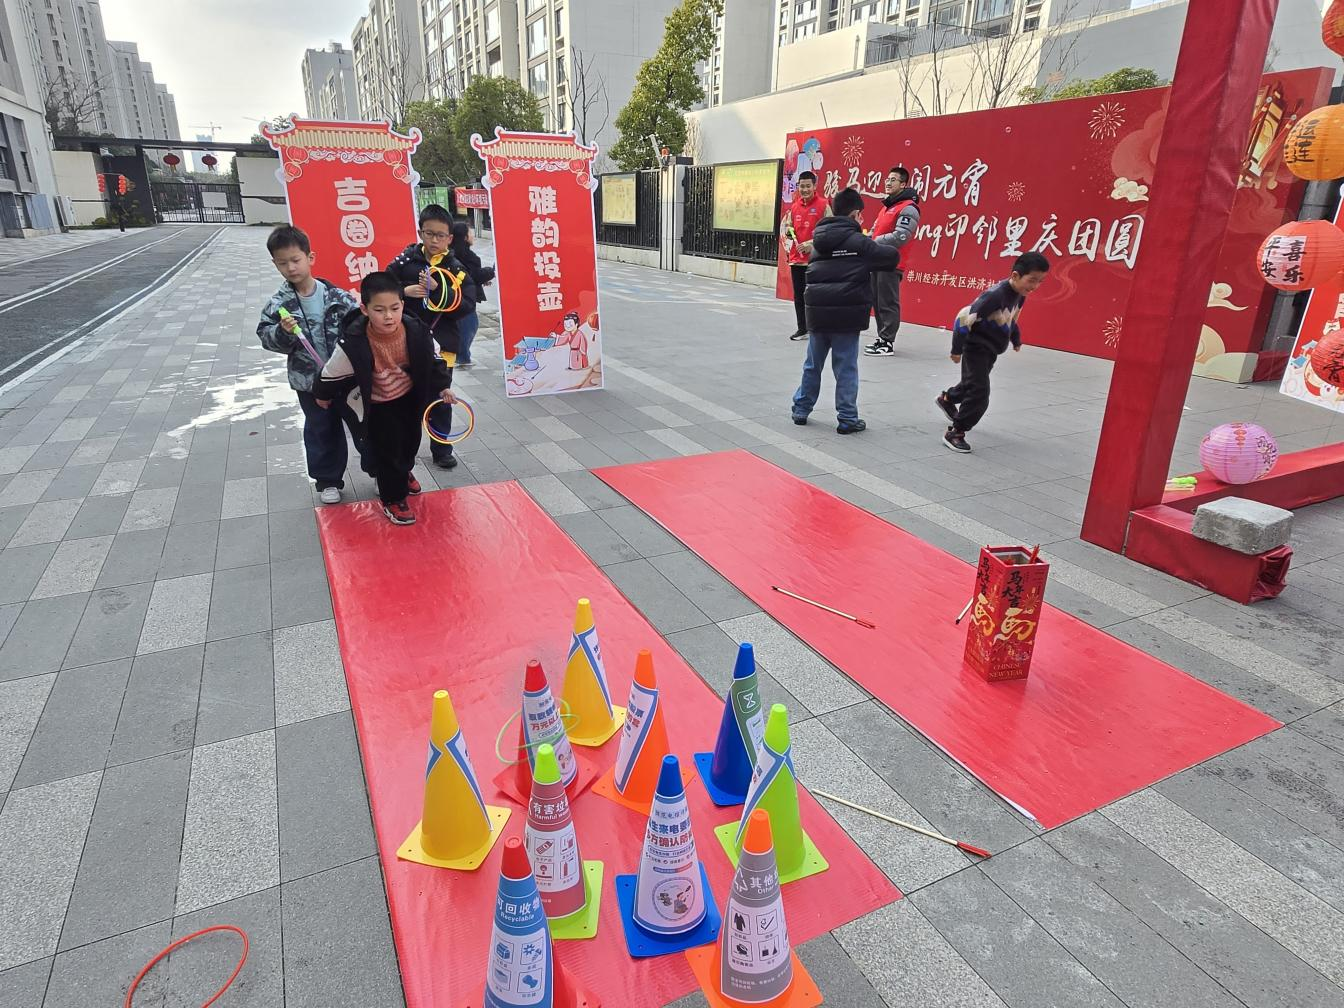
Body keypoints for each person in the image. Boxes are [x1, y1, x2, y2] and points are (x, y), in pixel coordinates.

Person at [313, 272, 457, 526]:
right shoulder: (354, 341)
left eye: (394, 308)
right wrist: (322, 395)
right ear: (365, 309)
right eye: (379, 310)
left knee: (410, 442)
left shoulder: (416, 330)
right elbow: (331, 373)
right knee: (388, 453)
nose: (388, 316)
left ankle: (404, 470)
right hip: (378, 405)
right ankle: (393, 499)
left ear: (402, 304)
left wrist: (443, 387)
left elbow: (433, 359)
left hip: (409, 398)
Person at [257, 225, 369, 505]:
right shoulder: (279, 304)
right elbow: (266, 338)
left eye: (296, 260)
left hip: (346, 379)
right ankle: (328, 480)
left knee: (365, 425)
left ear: (310, 257)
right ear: (275, 264)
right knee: (321, 429)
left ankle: (380, 470)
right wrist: (282, 332)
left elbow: (361, 329)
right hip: (309, 383)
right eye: (283, 263)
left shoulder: (337, 296)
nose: (291, 268)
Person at [791, 187, 899, 435]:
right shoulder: (860, 242)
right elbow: (891, 258)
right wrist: (876, 239)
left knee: (812, 365)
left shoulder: (819, 240)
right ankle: (848, 418)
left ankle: (801, 409)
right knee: (845, 368)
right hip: (847, 315)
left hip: (818, 313)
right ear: (855, 214)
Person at [386, 203, 475, 470]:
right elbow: (382, 289)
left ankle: (442, 449)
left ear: (450, 238)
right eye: (429, 233)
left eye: (440, 235)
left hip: (441, 345)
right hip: (404, 342)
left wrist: (438, 290)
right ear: (420, 233)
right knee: (404, 397)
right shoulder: (404, 262)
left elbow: (466, 306)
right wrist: (403, 292)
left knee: (441, 396)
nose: (434, 240)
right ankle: (405, 450)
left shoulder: (456, 269)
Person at [936, 251, 1051, 454]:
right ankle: (956, 432)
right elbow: (963, 318)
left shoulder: (1020, 295)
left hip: (991, 350)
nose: (1035, 286)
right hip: (975, 348)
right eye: (1032, 280)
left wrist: (1016, 338)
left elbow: (1011, 319)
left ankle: (948, 399)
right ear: (1015, 275)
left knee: (972, 383)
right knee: (980, 391)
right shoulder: (995, 295)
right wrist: (956, 349)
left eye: (1040, 281)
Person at [863, 166, 922, 357]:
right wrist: (864, 240)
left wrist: (873, 242)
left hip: (891, 263)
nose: (888, 183)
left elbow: (901, 236)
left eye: (893, 180)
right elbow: (874, 231)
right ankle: (882, 338)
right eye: (887, 179)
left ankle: (887, 342)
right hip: (877, 261)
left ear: (903, 184)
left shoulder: (909, 208)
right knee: (878, 301)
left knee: (888, 302)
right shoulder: (887, 207)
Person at [780, 170, 831, 341]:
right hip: (797, 260)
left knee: (816, 296)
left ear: (815, 186)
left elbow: (829, 231)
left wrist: (811, 244)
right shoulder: (794, 207)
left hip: (816, 260)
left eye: (808, 186)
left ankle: (817, 328)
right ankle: (802, 328)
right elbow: (789, 226)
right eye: (802, 186)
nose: (805, 189)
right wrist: (789, 232)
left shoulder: (824, 205)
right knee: (799, 296)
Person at [448, 220, 495, 368]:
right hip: (463, 298)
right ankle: (461, 358)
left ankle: (461, 356)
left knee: (466, 326)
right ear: (464, 237)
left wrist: (482, 280)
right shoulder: (463, 255)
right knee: (469, 326)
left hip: (460, 297)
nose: (472, 235)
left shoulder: (457, 253)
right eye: (470, 232)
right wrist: (490, 271)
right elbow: (472, 275)